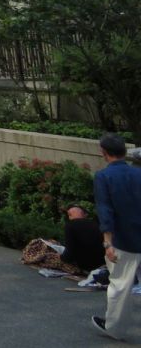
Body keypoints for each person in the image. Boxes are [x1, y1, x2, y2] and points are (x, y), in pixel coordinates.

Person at [91, 133, 141, 341]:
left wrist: (107, 242)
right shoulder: (138, 173)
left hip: (123, 239)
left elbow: (105, 210)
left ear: (104, 153)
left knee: (120, 286)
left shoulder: (103, 177)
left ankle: (114, 328)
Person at [60, 205, 107, 274]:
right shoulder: (96, 224)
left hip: (84, 265)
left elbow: (69, 251)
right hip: (101, 263)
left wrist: (62, 258)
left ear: (69, 216)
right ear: (84, 215)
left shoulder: (70, 226)